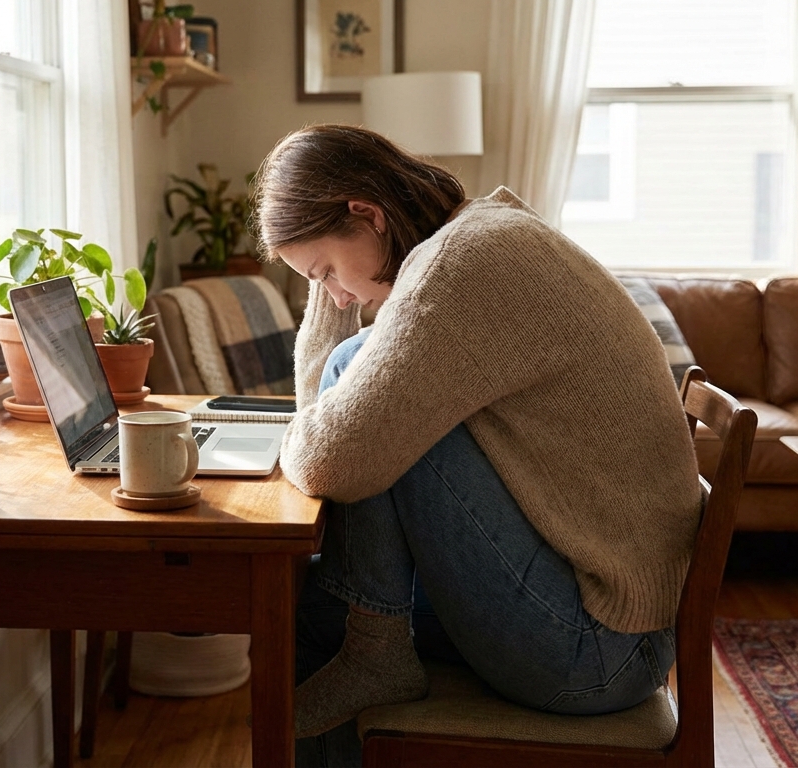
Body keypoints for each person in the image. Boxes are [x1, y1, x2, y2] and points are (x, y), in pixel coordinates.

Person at [250, 124, 703, 767]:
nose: (335, 294)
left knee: (362, 382)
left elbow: (328, 457)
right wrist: (337, 291)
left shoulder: (464, 267)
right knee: (312, 607)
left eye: (325, 271)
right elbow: (332, 432)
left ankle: (375, 654)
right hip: (610, 615)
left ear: (367, 213)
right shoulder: (476, 237)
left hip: (599, 648)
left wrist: (311, 413)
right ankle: (372, 650)